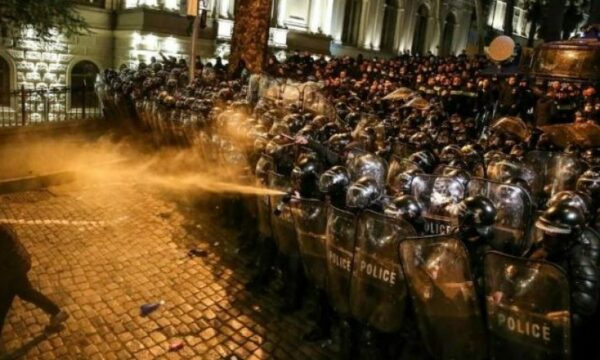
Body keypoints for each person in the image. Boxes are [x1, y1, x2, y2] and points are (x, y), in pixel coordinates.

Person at [0, 225, 68, 345]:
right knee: (26, 293)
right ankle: (56, 313)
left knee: (4, 302)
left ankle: (56, 312)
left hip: (11, 270)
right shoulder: (4, 227)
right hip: (16, 266)